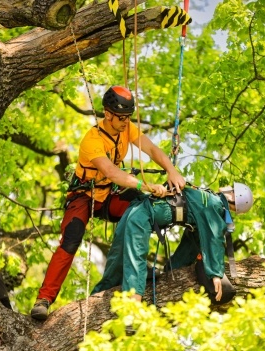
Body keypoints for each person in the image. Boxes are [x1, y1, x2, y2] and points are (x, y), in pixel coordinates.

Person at [31, 86, 186, 320]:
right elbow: (112, 172)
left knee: (144, 210)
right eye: (121, 117)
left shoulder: (126, 129)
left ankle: (136, 271)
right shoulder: (92, 140)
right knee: (71, 239)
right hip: (85, 196)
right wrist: (145, 185)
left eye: (128, 117)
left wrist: (171, 170)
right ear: (108, 113)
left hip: (109, 196)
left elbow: (152, 149)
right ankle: (44, 298)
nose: (125, 122)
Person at [91, 182, 253, 302]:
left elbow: (213, 238)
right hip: (141, 212)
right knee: (124, 256)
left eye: (231, 188)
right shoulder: (209, 200)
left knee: (124, 256)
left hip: (139, 212)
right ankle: (125, 303)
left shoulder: (212, 203)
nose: (227, 186)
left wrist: (215, 274)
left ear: (233, 195)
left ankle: (122, 301)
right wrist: (215, 272)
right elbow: (212, 235)